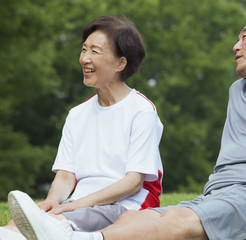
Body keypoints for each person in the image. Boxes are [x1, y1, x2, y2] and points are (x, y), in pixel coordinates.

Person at [7, 10, 246, 240]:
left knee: (172, 226)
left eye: (244, 36)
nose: (235, 46)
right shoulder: (237, 91)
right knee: (131, 225)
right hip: (217, 194)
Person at [0, 15, 163, 240]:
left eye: (95, 52)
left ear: (120, 63)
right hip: (81, 205)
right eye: (84, 49)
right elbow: (66, 176)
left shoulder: (142, 111)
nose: (85, 58)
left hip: (127, 206)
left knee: (51, 224)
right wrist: (52, 202)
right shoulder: (77, 115)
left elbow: (133, 183)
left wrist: (75, 205)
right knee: (16, 225)